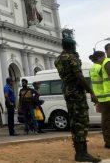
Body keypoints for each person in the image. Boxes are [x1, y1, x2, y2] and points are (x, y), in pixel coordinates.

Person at [54, 29, 100, 162]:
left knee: (74, 122)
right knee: (81, 121)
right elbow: (79, 76)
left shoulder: (58, 60)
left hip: (68, 92)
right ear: (72, 46)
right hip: (76, 93)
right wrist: (91, 92)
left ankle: (79, 152)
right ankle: (82, 153)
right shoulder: (72, 58)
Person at [99, 45, 110, 148]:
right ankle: (108, 142)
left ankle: (108, 141)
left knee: (107, 120)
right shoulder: (108, 62)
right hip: (108, 97)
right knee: (107, 120)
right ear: (107, 51)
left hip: (107, 97)